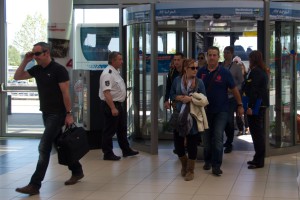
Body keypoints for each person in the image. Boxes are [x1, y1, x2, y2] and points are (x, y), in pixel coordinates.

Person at [14, 42, 84, 195]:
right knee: (59, 144)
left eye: (37, 54)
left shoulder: (59, 70)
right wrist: (26, 61)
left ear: (47, 53)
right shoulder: (37, 69)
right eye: (33, 54)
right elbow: (17, 76)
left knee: (43, 147)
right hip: (46, 113)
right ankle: (77, 170)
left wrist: (69, 114)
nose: (35, 57)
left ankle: (34, 184)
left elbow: (66, 93)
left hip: (57, 114)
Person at [197, 46, 244, 176]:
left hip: (221, 110)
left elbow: (234, 89)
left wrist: (240, 104)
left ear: (218, 57)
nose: (212, 57)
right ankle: (208, 160)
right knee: (206, 138)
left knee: (217, 136)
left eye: (214, 55)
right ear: (207, 57)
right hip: (204, 111)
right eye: (210, 55)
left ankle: (216, 165)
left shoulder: (224, 72)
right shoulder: (200, 72)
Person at [170, 58, 207, 181]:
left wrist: (191, 99)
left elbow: (204, 99)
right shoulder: (177, 81)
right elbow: (172, 95)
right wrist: (179, 98)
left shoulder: (199, 82)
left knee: (192, 144)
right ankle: (184, 165)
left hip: (193, 116)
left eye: (197, 68)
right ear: (185, 69)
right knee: (178, 144)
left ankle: (190, 170)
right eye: (193, 68)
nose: (195, 70)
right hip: (179, 116)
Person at [99, 51, 139, 161]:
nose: (122, 61)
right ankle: (107, 153)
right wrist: (112, 108)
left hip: (118, 104)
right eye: (120, 59)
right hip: (110, 105)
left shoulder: (115, 72)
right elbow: (106, 93)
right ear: (113, 60)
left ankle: (126, 150)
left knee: (122, 128)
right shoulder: (108, 73)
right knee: (109, 130)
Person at [242, 50, 269, 169]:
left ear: (253, 59)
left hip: (257, 106)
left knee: (257, 134)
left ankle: (259, 160)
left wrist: (252, 108)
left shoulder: (257, 72)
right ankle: (257, 158)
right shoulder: (257, 71)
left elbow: (256, 92)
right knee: (256, 133)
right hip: (258, 105)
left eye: (250, 58)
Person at [221, 46, 244, 154]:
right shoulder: (219, 66)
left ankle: (229, 143)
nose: (226, 54)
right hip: (221, 97)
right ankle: (226, 140)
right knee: (223, 120)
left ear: (232, 54)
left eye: (228, 52)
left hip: (231, 98)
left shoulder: (236, 67)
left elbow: (241, 83)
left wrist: (233, 89)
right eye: (225, 52)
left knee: (229, 120)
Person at [164, 52, 185, 154]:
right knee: (177, 124)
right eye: (175, 60)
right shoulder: (172, 71)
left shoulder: (187, 70)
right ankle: (178, 147)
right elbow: (168, 87)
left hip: (186, 102)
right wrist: (166, 100)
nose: (176, 62)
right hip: (176, 102)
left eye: (178, 60)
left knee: (185, 124)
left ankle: (185, 145)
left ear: (183, 60)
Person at [233, 56, 250, 136]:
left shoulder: (247, 78)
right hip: (237, 98)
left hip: (245, 97)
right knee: (238, 114)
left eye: (241, 69)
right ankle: (240, 129)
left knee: (245, 113)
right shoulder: (235, 79)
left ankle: (247, 127)